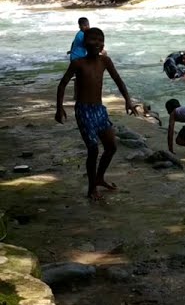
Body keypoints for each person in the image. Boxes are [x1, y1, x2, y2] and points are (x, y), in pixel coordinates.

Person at [55, 27, 138, 201]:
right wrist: (59, 108)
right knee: (93, 149)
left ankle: (100, 178)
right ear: (85, 42)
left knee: (111, 147)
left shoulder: (105, 61)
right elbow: (62, 84)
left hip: (99, 110)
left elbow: (118, 80)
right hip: (84, 111)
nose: (96, 43)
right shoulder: (78, 63)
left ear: (103, 44)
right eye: (93, 39)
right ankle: (91, 188)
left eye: (100, 40)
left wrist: (128, 101)